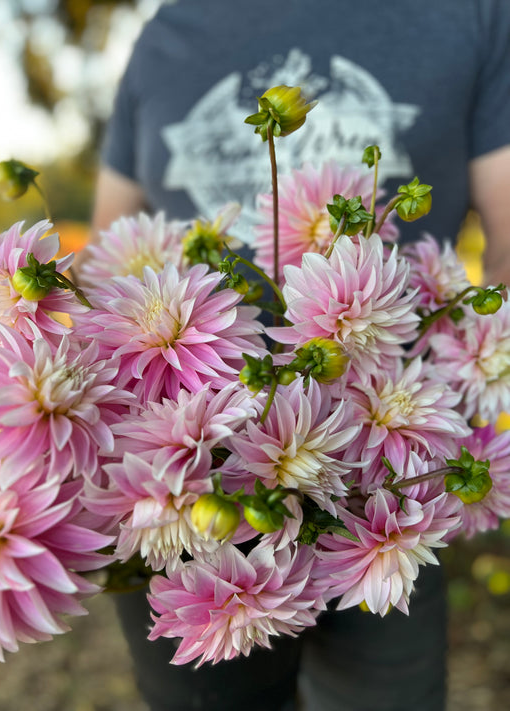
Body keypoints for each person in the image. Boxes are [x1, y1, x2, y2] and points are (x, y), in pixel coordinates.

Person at [88, 1, 510, 709]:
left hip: (393, 488)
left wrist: (476, 400)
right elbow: (108, 257)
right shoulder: (164, 34)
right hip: (177, 487)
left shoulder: (469, 13)